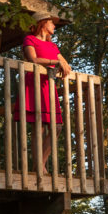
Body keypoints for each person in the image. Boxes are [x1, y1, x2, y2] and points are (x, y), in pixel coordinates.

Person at [17, 10, 71, 174]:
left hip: (49, 85)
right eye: (51, 22)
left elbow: (66, 65)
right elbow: (33, 59)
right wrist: (55, 61)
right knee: (38, 126)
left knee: (57, 126)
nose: (54, 25)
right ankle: (40, 167)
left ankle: (39, 163)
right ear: (43, 23)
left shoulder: (53, 45)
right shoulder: (30, 39)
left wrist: (62, 65)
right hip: (34, 83)